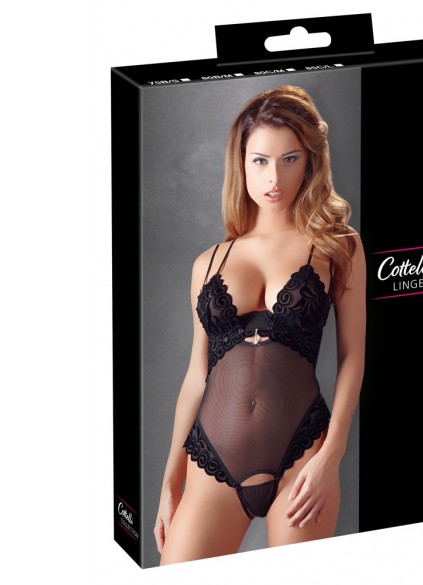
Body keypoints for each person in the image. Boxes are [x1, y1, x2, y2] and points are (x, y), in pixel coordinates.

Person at [154, 85, 366, 564]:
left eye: (290, 159)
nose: (275, 177)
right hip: (210, 461)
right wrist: (170, 481)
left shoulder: (338, 246)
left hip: (302, 456)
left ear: (309, 161)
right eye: (260, 161)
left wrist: (331, 455)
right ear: (241, 163)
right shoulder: (207, 263)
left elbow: (353, 355)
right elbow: (196, 376)